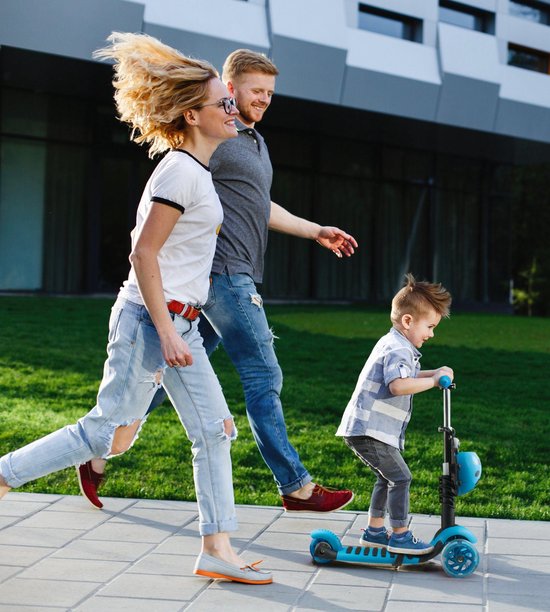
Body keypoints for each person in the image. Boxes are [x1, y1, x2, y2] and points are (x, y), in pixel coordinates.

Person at [0, 32, 272, 585]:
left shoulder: (199, 172)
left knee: (212, 430)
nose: (233, 109)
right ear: (194, 116)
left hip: (181, 323)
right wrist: (169, 332)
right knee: (106, 434)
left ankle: (216, 548)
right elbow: (142, 251)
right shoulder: (179, 172)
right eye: (223, 102)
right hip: (154, 321)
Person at [77, 49, 357, 514]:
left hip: (224, 277)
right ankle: (296, 486)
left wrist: (315, 230)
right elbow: (185, 188)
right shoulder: (219, 136)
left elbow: (257, 205)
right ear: (230, 90)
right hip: (224, 274)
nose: (264, 100)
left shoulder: (252, 142)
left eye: (270, 93)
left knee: (168, 373)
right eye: (255, 91)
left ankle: (97, 449)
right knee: (263, 372)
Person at [336, 273, 453, 554]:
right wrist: (434, 381)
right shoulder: (398, 348)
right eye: (430, 326)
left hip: (369, 428)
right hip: (368, 429)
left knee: (385, 477)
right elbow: (399, 385)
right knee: (401, 478)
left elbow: (409, 376)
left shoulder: (398, 345)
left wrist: (434, 373)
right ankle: (400, 534)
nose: (432, 333)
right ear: (408, 321)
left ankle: (375, 531)